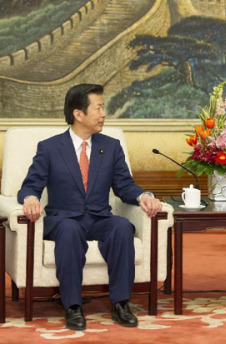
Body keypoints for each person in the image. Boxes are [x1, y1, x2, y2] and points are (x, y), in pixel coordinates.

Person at [18, 84, 162, 331]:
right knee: (69, 231)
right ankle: (72, 307)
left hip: (98, 218)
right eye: (99, 107)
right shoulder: (50, 148)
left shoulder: (111, 146)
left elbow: (124, 185)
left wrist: (143, 196)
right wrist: (30, 198)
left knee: (121, 227)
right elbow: (31, 185)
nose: (104, 113)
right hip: (63, 220)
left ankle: (121, 304)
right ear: (78, 114)